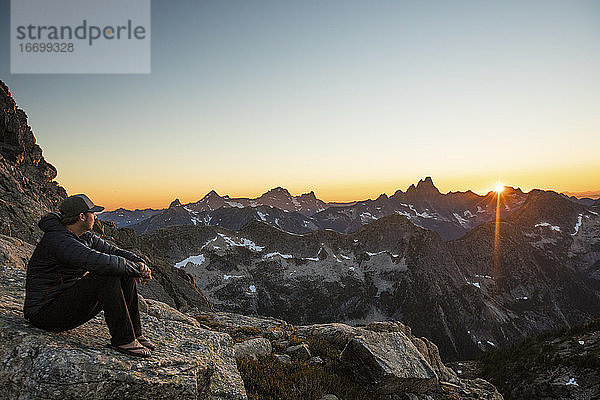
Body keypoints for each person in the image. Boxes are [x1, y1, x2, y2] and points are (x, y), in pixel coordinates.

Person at [24, 194, 155, 358]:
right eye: (92, 213)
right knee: (107, 274)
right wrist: (135, 269)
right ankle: (123, 340)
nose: (95, 216)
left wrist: (138, 263)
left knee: (123, 271)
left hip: (64, 303)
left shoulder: (84, 236)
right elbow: (99, 261)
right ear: (82, 217)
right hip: (44, 314)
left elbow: (113, 251)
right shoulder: (58, 240)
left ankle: (135, 334)